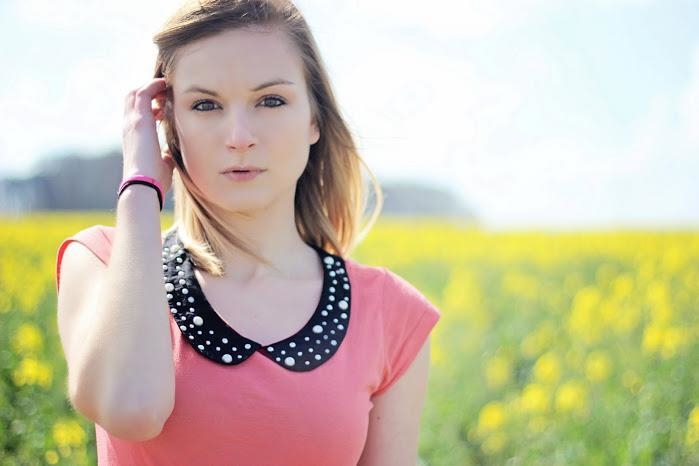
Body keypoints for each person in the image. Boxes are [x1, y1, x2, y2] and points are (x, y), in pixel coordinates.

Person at [54, 0, 441, 464]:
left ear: (314, 119)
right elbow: (132, 408)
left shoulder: (391, 314)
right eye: (205, 105)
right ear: (169, 124)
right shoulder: (101, 262)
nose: (238, 136)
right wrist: (140, 186)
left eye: (271, 101)